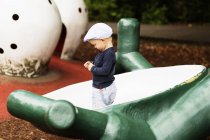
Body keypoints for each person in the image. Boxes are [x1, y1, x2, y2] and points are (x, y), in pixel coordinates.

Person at [83, 23, 117, 109]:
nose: (94, 47)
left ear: (103, 40)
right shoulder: (103, 52)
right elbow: (100, 63)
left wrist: (92, 68)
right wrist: (92, 63)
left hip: (103, 88)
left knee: (99, 109)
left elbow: (105, 71)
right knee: (101, 108)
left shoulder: (109, 54)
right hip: (101, 87)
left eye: (95, 44)